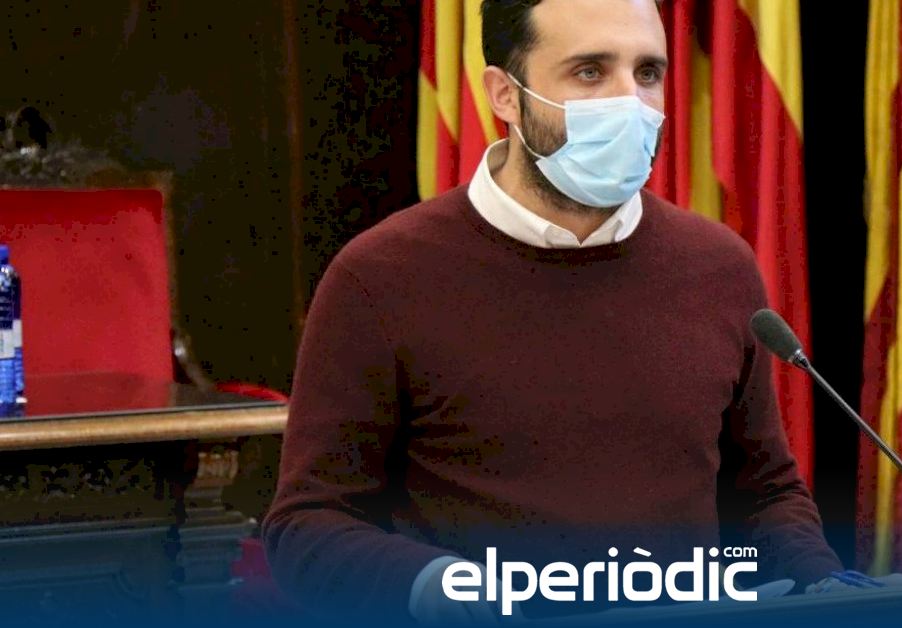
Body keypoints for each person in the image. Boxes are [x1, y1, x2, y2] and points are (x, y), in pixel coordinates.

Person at [262, 0, 843, 623]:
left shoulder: (718, 266)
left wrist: (827, 586)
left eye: (647, 73)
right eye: (590, 72)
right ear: (505, 95)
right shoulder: (381, 276)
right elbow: (308, 524)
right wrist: (434, 586)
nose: (630, 103)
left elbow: (764, 493)